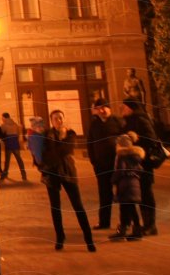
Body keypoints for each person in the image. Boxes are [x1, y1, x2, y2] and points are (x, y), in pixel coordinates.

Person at [40, 110, 96, 253]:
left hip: (68, 173)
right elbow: (43, 154)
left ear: (64, 119)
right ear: (51, 121)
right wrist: (50, 154)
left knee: (78, 205)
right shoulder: (47, 134)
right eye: (55, 118)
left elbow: (64, 150)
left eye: (60, 118)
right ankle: (60, 238)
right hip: (51, 174)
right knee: (55, 208)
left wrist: (52, 153)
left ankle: (88, 239)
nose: (58, 120)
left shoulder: (71, 134)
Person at [121, 99, 159, 235]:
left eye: (124, 107)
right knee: (141, 194)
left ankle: (151, 225)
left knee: (146, 194)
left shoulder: (140, 119)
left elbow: (151, 139)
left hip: (144, 164)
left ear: (131, 108)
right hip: (135, 164)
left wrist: (136, 139)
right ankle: (145, 224)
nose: (122, 110)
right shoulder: (130, 120)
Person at [86, 97, 124, 230]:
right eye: (99, 108)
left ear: (109, 108)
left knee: (123, 193)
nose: (102, 110)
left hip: (118, 164)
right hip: (101, 166)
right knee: (104, 194)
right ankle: (104, 222)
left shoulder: (118, 122)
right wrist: (94, 161)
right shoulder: (94, 124)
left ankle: (125, 222)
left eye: (104, 107)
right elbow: (90, 144)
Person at [109, 132, 145, 241]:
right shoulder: (135, 156)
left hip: (125, 186)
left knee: (125, 209)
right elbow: (140, 170)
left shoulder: (122, 156)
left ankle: (125, 231)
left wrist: (113, 180)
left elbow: (120, 171)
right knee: (131, 209)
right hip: (134, 185)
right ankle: (135, 231)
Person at [0, 113, 26, 181]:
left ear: (4, 118)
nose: (2, 119)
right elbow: (18, 133)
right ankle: (24, 175)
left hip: (8, 143)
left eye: (2, 118)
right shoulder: (15, 124)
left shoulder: (3, 125)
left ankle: (5, 174)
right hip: (15, 143)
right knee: (19, 160)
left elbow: (1, 134)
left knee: (7, 161)